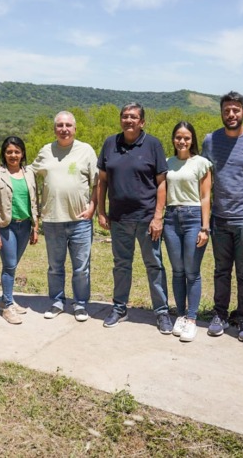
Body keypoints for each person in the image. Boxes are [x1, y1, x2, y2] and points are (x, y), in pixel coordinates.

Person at [97, 103, 172, 335]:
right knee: (121, 265)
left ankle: (161, 312)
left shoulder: (153, 145)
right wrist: (101, 211)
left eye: (133, 117)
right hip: (119, 219)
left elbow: (162, 183)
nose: (128, 120)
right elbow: (102, 181)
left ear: (142, 122)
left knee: (154, 265)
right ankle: (119, 307)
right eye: (125, 116)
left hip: (147, 219)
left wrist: (158, 216)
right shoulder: (110, 143)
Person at [201, 91, 243, 342]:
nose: (231, 114)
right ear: (221, 112)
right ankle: (219, 314)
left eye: (236, 110)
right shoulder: (211, 140)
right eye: (227, 110)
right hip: (219, 218)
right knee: (221, 270)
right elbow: (205, 180)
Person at [30, 111, 99, 321]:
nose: (64, 129)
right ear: (54, 129)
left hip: (80, 220)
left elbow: (98, 183)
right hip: (52, 220)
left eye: (68, 125)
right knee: (54, 267)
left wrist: (93, 208)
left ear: (75, 128)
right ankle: (57, 301)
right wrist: (4, 169)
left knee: (81, 268)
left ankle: (80, 304)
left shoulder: (86, 150)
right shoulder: (45, 151)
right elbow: (28, 173)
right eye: (60, 125)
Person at [163, 121, 212, 343]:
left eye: (187, 137)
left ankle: (192, 319)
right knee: (177, 270)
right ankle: (180, 315)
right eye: (178, 137)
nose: (182, 141)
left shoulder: (202, 164)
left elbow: (205, 197)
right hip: (171, 218)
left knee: (192, 271)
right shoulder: (166, 163)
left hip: (194, 218)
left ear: (193, 140)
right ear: (173, 139)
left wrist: (205, 226)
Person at [0, 136, 39, 325]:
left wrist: (35, 226)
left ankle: (6, 299)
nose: (13, 155)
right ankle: (7, 306)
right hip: (5, 226)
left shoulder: (29, 173)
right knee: (9, 264)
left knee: (13, 265)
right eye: (9, 152)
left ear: (22, 153)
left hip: (25, 225)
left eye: (16, 151)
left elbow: (34, 201)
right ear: (4, 154)